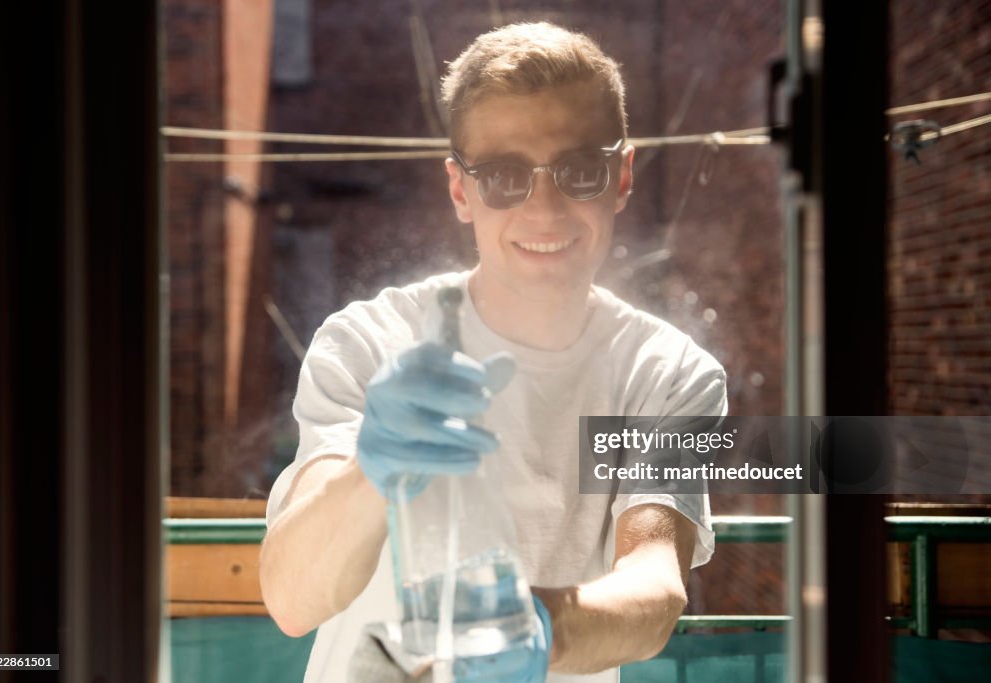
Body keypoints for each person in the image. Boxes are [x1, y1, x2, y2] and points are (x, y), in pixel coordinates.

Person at [259, 21, 727, 683]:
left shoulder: (671, 374)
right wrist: (370, 467)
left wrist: (538, 627)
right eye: (505, 176)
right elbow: (292, 598)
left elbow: (655, 587)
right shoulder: (366, 342)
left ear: (621, 175)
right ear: (460, 190)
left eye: (578, 170)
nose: (544, 207)